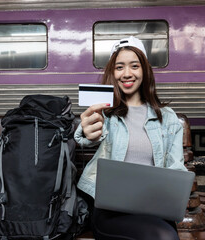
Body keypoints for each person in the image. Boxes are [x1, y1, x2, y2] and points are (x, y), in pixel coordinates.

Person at [74, 36, 187, 240]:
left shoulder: (168, 118)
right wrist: (87, 131)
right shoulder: (106, 114)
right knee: (164, 236)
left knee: (165, 234)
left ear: (145, 70)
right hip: (110, 211)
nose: (127, 73)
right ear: (112, 72)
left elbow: (177, 170)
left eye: (134, 66)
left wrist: (174, 195)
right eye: (119, 67)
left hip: (154, 208)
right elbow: (87, 137)